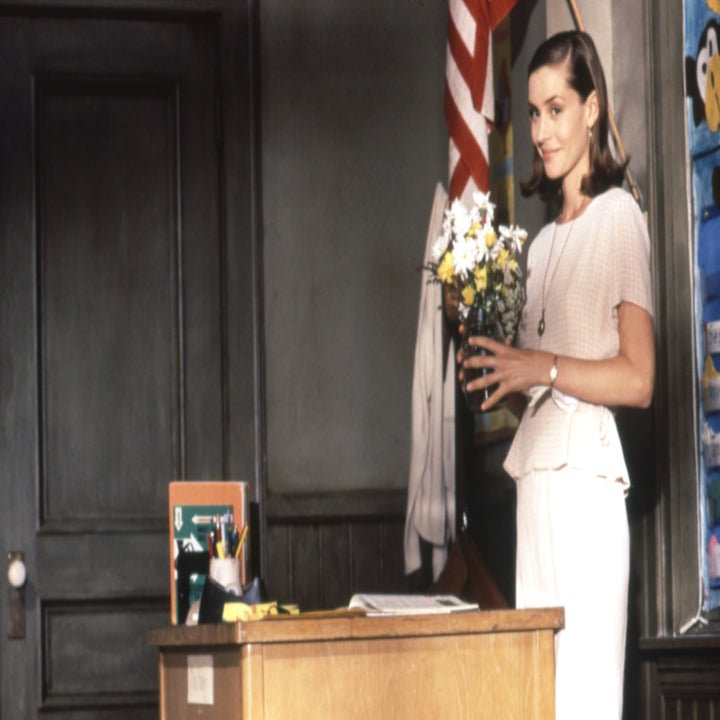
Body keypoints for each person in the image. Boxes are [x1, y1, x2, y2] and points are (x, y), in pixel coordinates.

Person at [459, 31, 655, 720]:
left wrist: (536, 364)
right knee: (544, 705)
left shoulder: (621, 218)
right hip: (537, 497)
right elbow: (544, 399)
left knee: (585, 704)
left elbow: (637, 379)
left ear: (592, 108)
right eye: (534, 113)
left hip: (587, 501)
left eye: (556, 109)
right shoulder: (538, 247)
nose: (540, 130)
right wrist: (499, 378)